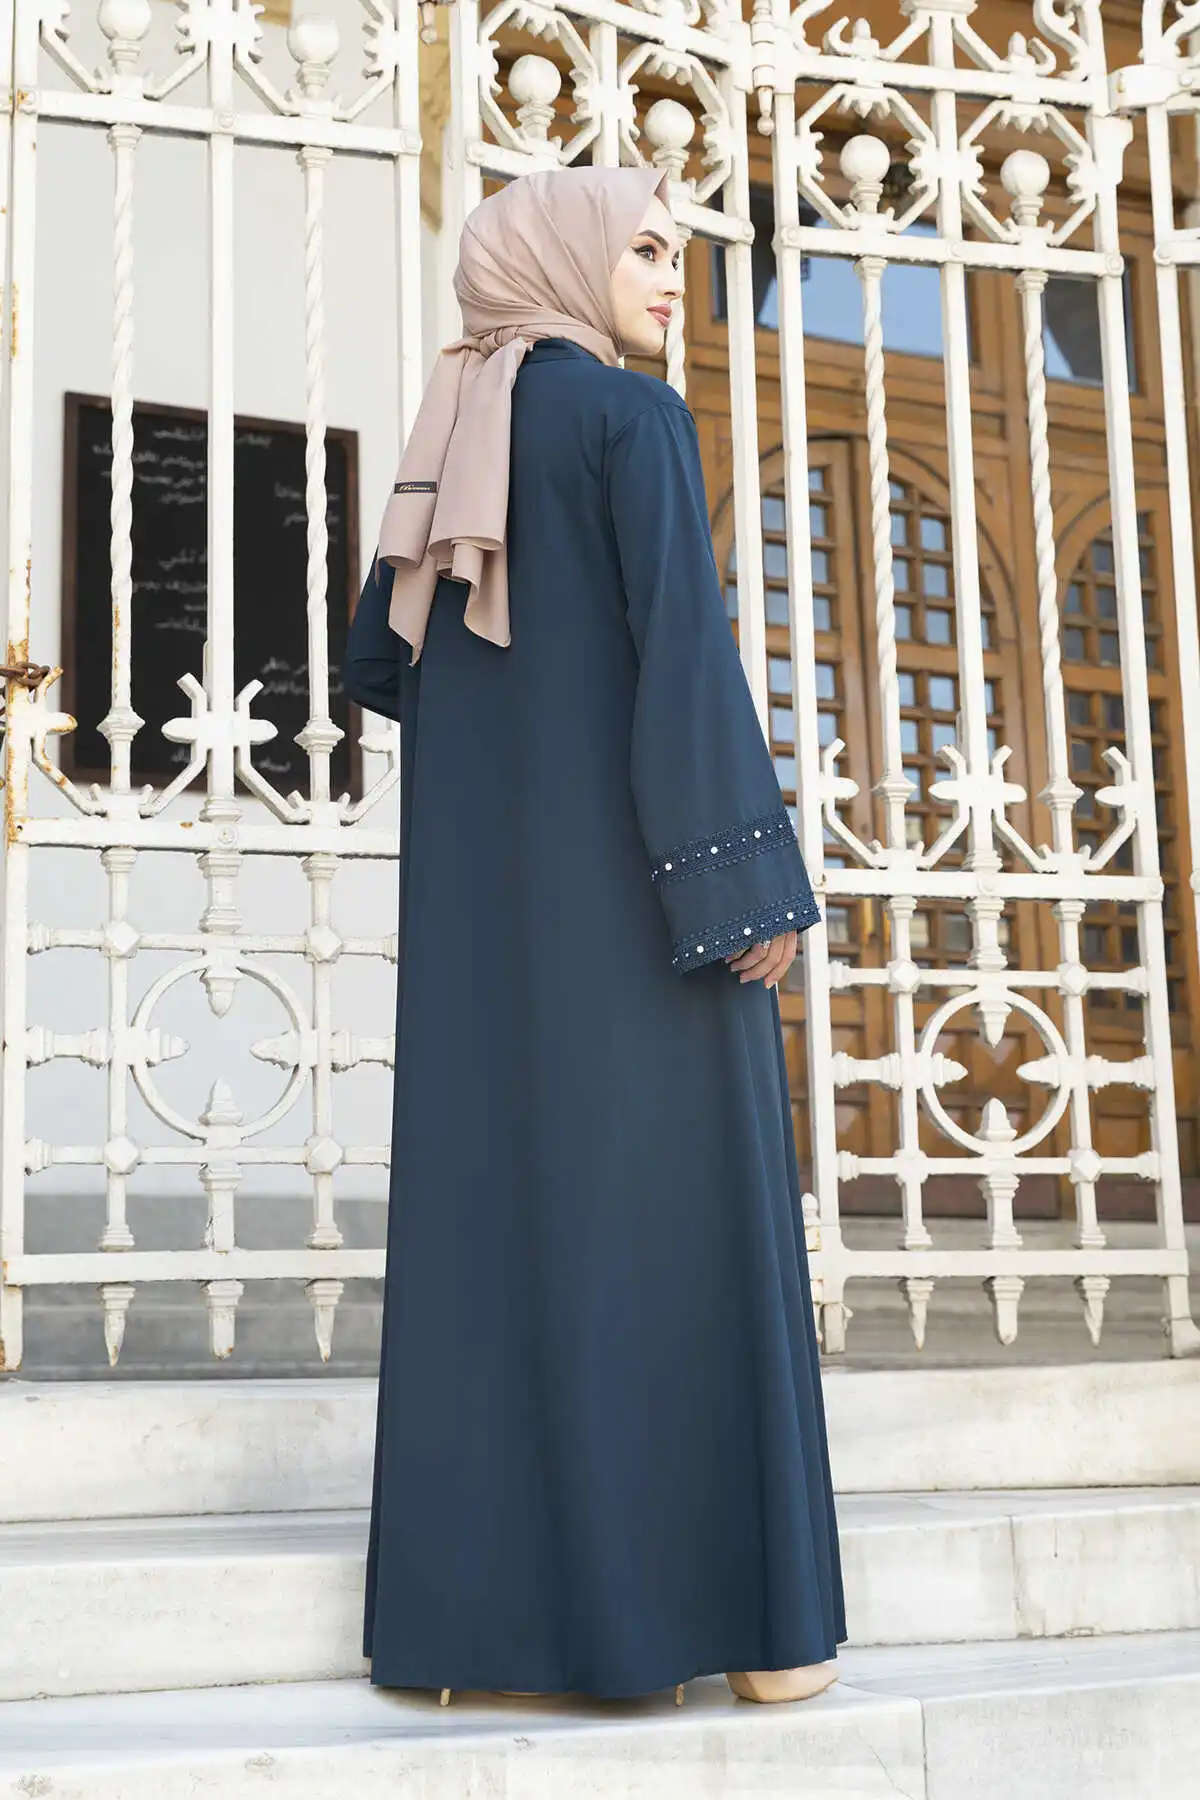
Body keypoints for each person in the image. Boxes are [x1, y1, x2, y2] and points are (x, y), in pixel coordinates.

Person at [343, 163, 845, 1706]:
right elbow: (682, 663)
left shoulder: (454, 437)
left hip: (494, 948)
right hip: (646, 919)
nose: (670, 276)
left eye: (677, 251)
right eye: (644, 249)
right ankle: (752, 1640)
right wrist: (747, 889)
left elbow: (391, 672)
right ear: (562, 259)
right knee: (682, 1245)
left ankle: (471, 1638)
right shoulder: (631, 422)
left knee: (507, 1238)